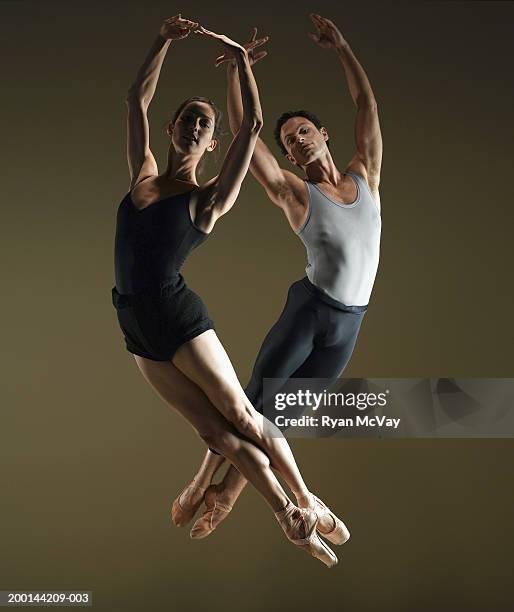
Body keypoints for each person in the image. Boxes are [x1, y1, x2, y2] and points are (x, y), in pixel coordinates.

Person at [111, 14, 348, 568]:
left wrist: (241, 64)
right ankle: (293, 519)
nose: (195, 127)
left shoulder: (208, 199)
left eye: (205, 124)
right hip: (133, 325)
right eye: (188, 119)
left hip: (176, 316)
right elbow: (134, 101)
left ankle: (303, 505)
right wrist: (161, 40)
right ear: (172, 129)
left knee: (243, 418)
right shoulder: (143, 174)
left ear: (212, 143)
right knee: (217, 434)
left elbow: (253, 127)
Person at [173, 13, 382, 540]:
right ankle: (206, 485)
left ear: (323, 135)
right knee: (252, 404)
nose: (298, 142)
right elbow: (248, 135)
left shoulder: (366, 175)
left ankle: (226, 492)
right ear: (289, 155)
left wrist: (342, 47)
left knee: (280, 418)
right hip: (309, 313)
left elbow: (366, 106)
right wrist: (236, 71)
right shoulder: (294, 193)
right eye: (290, 141)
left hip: (349, 325)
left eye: (305, 132)